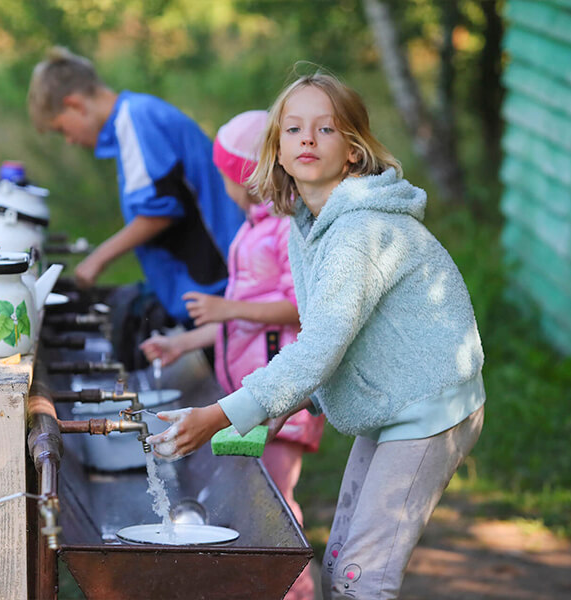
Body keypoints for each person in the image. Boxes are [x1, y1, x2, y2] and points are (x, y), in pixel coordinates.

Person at [146, 72, 486, 599]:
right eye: (294, 129)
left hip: (428, 405)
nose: (307, 139)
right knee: (339, 560)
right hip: (391, 401)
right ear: (277, 150)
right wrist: (283, 399)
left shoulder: (357, 233)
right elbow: (337, 332)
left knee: (363, 576)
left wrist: (218, 415)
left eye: (325, 129)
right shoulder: (305, 223)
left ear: (352, 151)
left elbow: (320, 344)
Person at [140, 110, 324, 600]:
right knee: (252, 499)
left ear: (249, 176)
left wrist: (226, 306)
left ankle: (298, 591)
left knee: (276, 505)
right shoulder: (256, 224)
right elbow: (243, 324)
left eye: (224, 176)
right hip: (249, 396)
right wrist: (186, 341)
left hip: (282, 397)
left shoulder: (290, 231)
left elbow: (302, 310)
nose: (220, 187)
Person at [27, 46, 244, 326]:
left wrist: (97, 259)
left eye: (61, 129)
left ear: (75, 105)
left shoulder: (135, 120)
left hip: (219, 285)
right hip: (207, 287)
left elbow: (159, 213)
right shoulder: (133, 118)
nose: (68, 139)